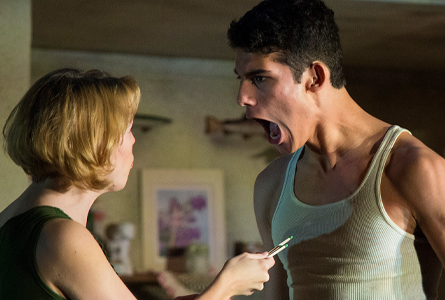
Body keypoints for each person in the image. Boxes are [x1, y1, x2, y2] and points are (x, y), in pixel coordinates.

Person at [227, 0, 445, 299]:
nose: (242, 97)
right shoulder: (271, 185)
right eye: (241, 79)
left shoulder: (416, 169)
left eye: (260, 78)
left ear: (314, 78)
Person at [0, 68, 275, 300]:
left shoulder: (13, 220)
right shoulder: (62, 237)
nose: (133, 141)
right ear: (94, 140)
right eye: (128, 130)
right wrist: (228, 285)